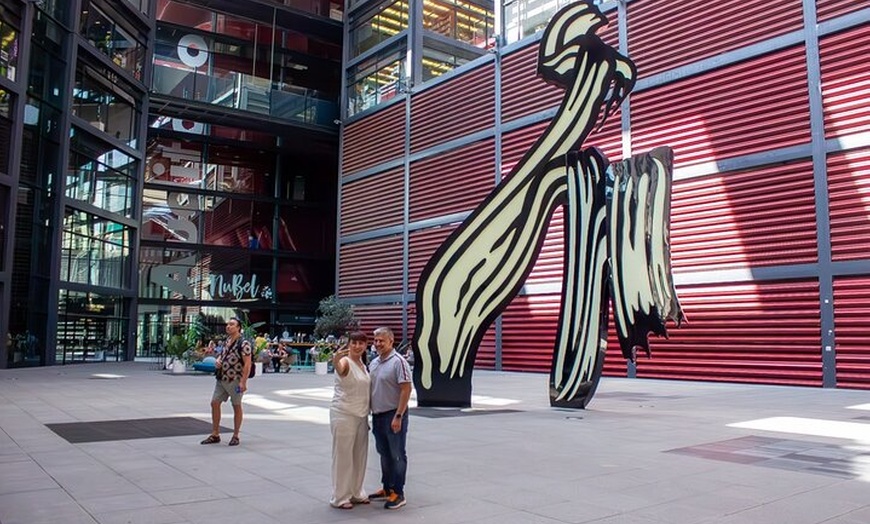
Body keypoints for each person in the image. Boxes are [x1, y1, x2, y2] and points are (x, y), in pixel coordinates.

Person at [368, 327, 412, 510]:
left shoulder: (398, 362)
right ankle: (387, 488)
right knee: (384, 453)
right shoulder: (374, 363)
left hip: (393, 415)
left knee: (397, 454)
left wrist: (398, 416)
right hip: (378, 416)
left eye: (382, 341)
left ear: (391, 341)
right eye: (376, 340)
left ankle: (398, 492)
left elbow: (406, 389)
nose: (378, 344)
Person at [328, 331, 371, 510]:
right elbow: (341, 369)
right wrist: (335, 361)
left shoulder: (363, 365)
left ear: (365, 345)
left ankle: (356, 492)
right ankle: (340, 496)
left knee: (359, 456)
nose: (357, 346)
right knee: (343, 456)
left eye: (361, 343)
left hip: (361, 415)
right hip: (344, 414)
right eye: (354, 343)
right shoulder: (346, 361)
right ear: (349, 344)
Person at [200, 317, 252, 447]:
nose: (228, 326)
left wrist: (243, 382)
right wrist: (218, 361)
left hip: (235, 380)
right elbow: (222, 355)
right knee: (214, 403)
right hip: (222, 378)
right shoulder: (226, 341)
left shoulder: (244, 343)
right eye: (228, 324)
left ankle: (235, 435)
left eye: (232, 324)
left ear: (238, 327)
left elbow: (247, 364)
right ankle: (215, 433)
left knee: (236, 406)